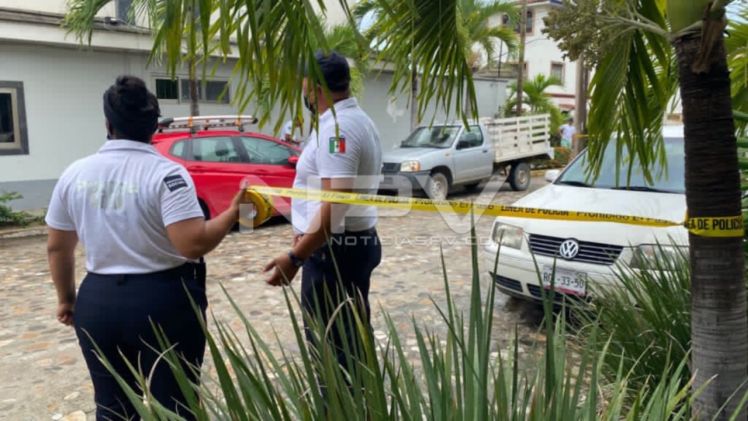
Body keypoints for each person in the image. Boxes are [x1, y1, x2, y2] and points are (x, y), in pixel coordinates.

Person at [46, 75, 247, 420]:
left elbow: (57, 248)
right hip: (163, 301)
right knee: (176, 406)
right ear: (155, 125)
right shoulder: (168, 174)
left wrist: (66, 298)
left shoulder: (74, 174)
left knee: (113, 407)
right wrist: (232, 213)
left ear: (108, 124)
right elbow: (192, 243)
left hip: (98, 301)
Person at [263, 51, 383, 373]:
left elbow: (337, 202)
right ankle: (361, 397)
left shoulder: (338, 130)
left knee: (332, 353)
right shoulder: (356, 120)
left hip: (334, 253)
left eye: (303, 85)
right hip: (346, 245)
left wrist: (296, 257)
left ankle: (340, 400)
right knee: (352, 342)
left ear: (315, 87)